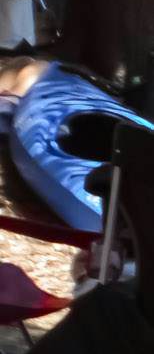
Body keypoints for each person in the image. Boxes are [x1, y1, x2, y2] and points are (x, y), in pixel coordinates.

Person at [0, 43, 138, 240]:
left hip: (47, 85)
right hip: (50, 85)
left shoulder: (34, 76)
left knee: (31, 71)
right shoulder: (35, 77)